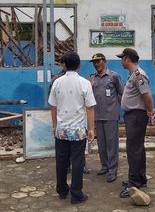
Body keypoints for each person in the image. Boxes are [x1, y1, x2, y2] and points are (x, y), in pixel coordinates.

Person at [49, 51, 96, 204]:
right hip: (78, 131)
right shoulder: (85, 83)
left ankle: (62, 190)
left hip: (61, 131)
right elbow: (90, 108)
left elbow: (53, 107)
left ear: (64, 65)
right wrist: (91, 129)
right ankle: (76, 194)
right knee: (77, 162)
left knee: (61, 162)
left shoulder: (57, 82)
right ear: (79, 65)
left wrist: (55, 126)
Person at [116, 48, 155, 198]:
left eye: (122, 58)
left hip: (137, 116)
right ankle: (140, 178)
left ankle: (133, 184)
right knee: (138, 148)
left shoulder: (139, 75)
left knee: (133, 150)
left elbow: (147, 96)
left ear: (127, 59)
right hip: (134, 116)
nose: (121, 61)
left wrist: (150, 112)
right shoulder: (133, 74)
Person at [89, 53, 123, 183]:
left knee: (112, 145)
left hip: (111, 116)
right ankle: (105, 166)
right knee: (101, 144)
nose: (96, 64)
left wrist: (121, 110)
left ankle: (113, 170)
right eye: (94, 62)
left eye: (99, 61)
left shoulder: (113, 76)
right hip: (97, 116)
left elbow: (121, 93)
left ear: (105, 61)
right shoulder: (92, 79)